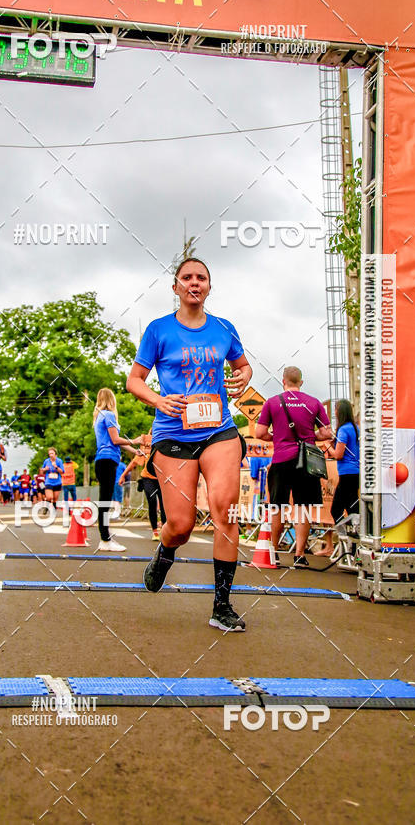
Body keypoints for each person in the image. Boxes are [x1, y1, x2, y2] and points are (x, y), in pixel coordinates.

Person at [127, 257, 252, 633]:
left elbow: (243, 365)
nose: (194, 283)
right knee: (180, 525)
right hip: (173, 435)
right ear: (176, 286)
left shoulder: (223, 328)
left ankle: (222, 606)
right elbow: (135, 380)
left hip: (219, 430)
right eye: (187, 278)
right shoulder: (158, 330)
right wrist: (157, 400)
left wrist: (242, 377)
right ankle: (165, 553)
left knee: (225, 510)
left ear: (209, 287)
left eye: (201, 278)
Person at [256, 366, 333, 568]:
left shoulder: (272, 403)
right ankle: (299, 555)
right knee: (303, 508)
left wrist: (279, 438)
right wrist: (310, 438)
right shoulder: (314, 403)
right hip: (306, 461)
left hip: (281, 459)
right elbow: (326, 433)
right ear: (301, 382)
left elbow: (259, 433)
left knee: (277, 507)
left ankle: (273, 552)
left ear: (283, 381)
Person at [93, 388, 141, 552]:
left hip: (102, 460)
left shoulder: (99, 416)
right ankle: (105, 539)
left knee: (104, 499)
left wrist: (135, 451)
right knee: (105, 500)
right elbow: (115, 439)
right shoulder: (109, 415)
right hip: (108, 460)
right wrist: (135, 441)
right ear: (111, 400)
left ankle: (105, 536)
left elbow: (114, 441)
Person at [318, 399, 360, 557]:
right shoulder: (356, 428)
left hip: (347, 472)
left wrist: (328, 446)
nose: (334, 413)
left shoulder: (343, 429)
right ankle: (354, 544)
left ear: (340, 412)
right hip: (355, 473)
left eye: (335, 410)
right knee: (352, 509)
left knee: (336, 509)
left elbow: (339, 454)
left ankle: (347, 540)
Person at [119, 437, 166, 539]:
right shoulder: (146, 442)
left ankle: (165, 530)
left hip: (162, 479)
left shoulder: (166, 442)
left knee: (164, 505)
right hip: (148, 478)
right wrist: (123, 475)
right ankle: (155, 531)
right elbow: (135, 462)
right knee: (152, 502)